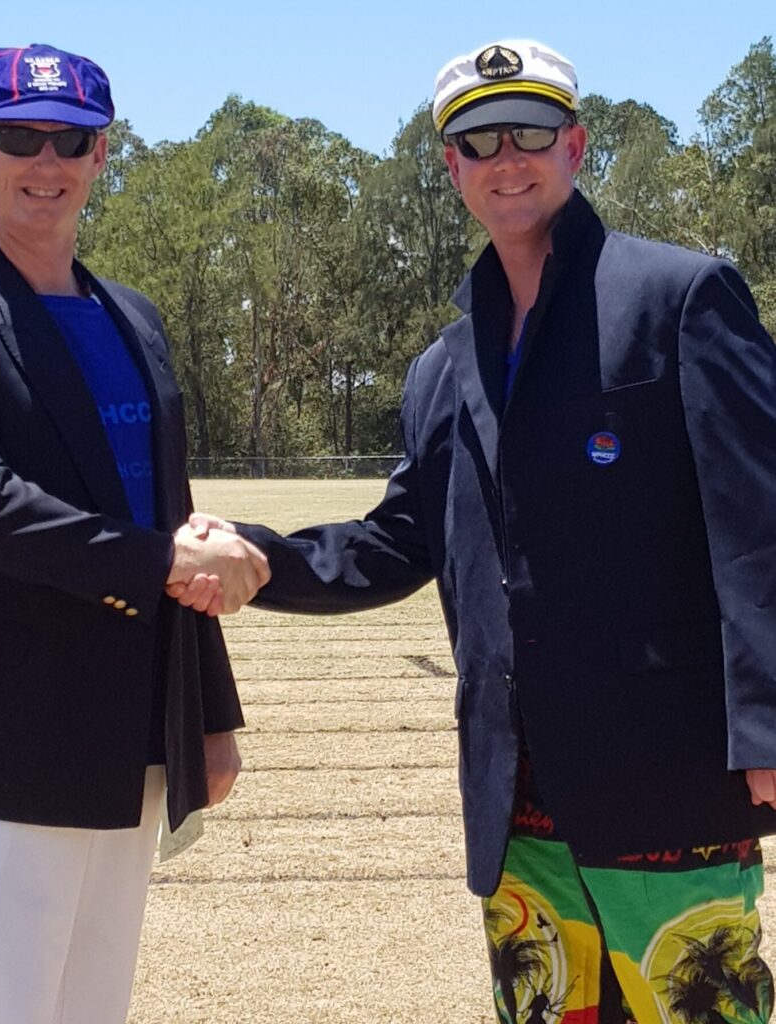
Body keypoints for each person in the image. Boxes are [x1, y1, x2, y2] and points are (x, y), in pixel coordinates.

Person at [172, 39, 776, 1024]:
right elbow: (400, 538)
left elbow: (759, 519)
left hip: (667, 776)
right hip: (517, 787)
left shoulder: (679, 299)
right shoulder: (443, 368)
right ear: (450, 166)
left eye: (530, 133)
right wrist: (253, 557)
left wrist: (769, 718)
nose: (507, 158)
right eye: (477, 140)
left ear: (576, 146)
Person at [0, 42, 268, 1024]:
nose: (45, 161)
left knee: (91, 1008)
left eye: (71, 139)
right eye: (18, 137)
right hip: (0, 735)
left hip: (131, 731)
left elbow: (166, 511)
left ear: (100, 154)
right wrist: (170, 559)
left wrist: (209, 710)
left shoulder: (133, 319)